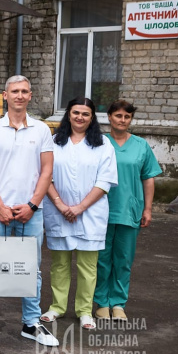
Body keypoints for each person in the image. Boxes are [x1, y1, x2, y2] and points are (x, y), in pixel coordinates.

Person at [0, 75, 58, 346]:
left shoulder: (42, 130)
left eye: (24, 91)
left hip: (32, 212)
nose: (19, 95)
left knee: (32, 268)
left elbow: (47, 171)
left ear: (30, 96)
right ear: (5, 96)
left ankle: (31, 323)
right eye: (14, 91)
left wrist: (32, 205)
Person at [41, 97, 117, 330]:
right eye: (76, 112)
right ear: (68, 114)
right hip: (58, 211)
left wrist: (79, 207)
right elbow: (44, 175)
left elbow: (105, 181)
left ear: (92, 117)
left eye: (85, 114)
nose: (80, 117)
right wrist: (60, 205)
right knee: (59, 265)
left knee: (88, 267)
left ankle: (84, 311)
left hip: (90, 214)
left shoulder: (103, 144)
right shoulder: (54, 141)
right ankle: (57, 307)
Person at [94, 100, 162, 322]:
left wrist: (148, 209)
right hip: (101, 209)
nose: (122, 120)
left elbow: (148, 178)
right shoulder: (99, 142)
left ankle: (118, 303)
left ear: (131, 119)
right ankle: (102, 303)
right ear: (109, 117)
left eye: (127, 117)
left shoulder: (141, 145)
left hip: (129, 210)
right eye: (118, 115)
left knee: (123, 259)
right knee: (101, 259)